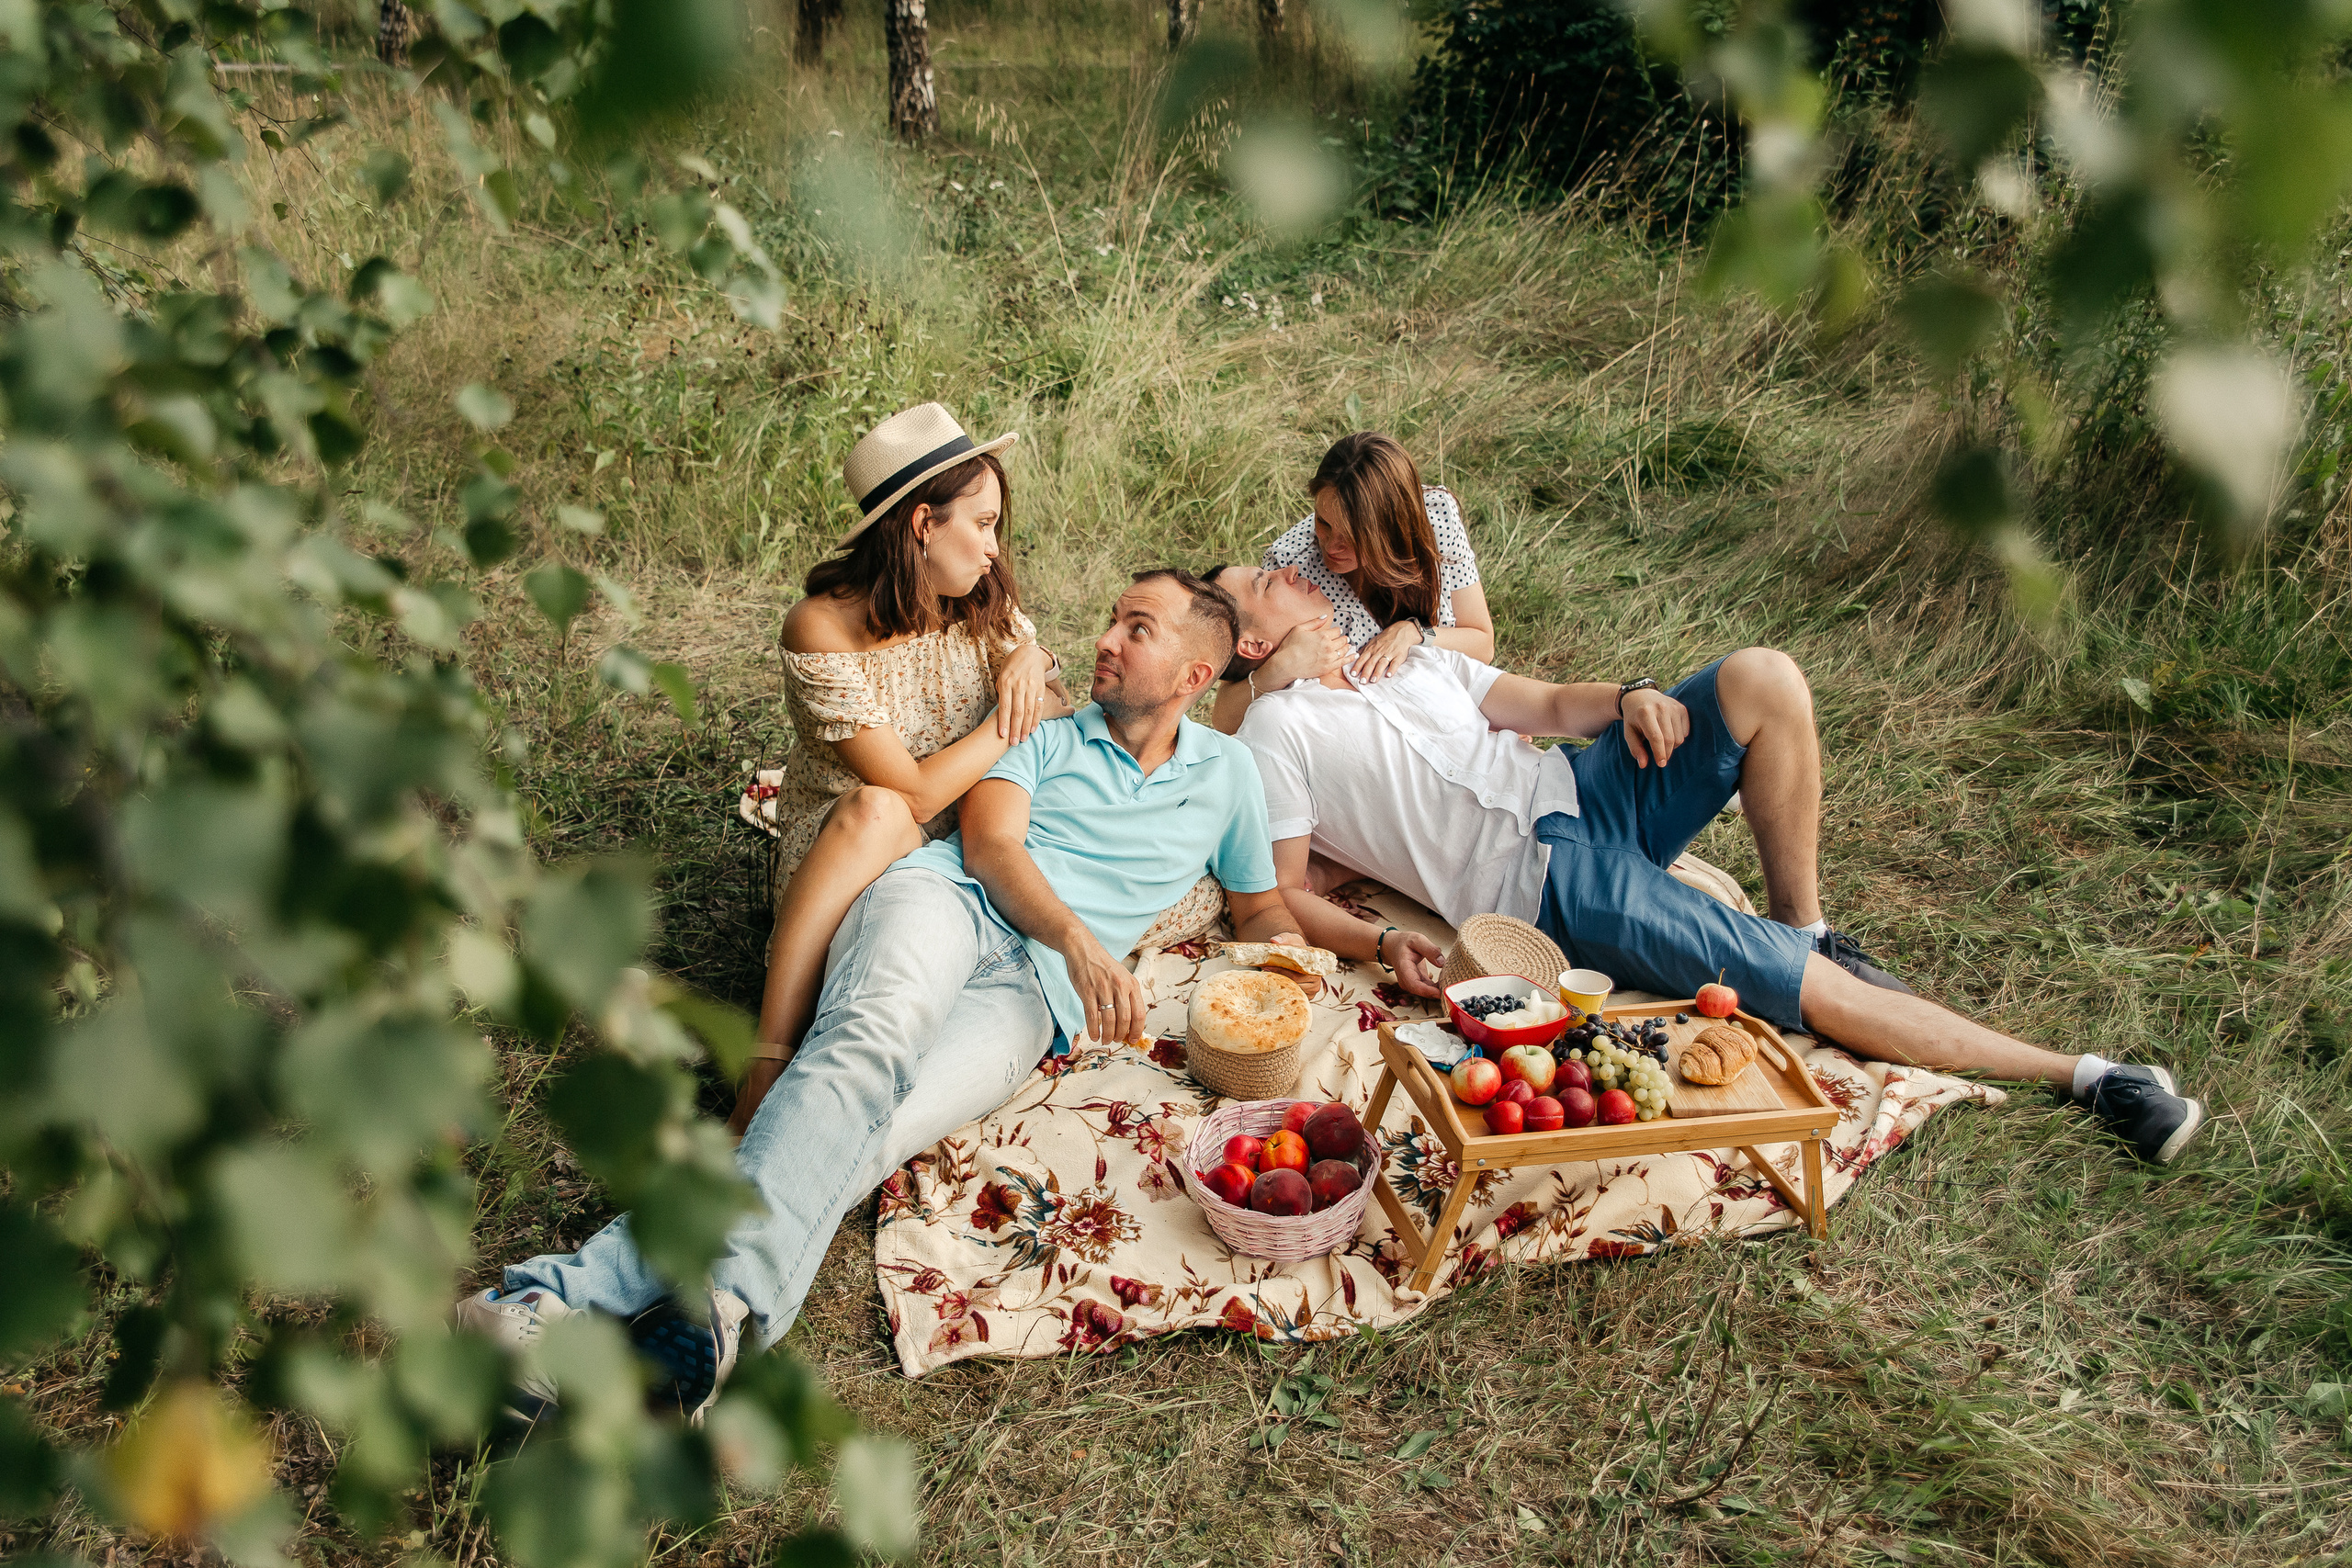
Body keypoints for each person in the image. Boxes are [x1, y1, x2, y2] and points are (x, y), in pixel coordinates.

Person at [458, 570, 1306, 1416]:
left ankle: (591, 1313)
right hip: (946, 903)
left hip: (1031, 1000)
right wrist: (1078, 940)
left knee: (873, 1129)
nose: (1106, 639)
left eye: (1138, 628)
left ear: (1195, 676)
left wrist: (1333, 953)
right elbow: (992, 849)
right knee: (864, 1049)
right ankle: (696, 1312)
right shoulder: (1047, 730)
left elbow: (1260, 904)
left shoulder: (1227, 773)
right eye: (1115, 618)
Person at [1204, 561, 2206, 1167]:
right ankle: (2093, 1077)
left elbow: (1547, 707)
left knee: (1760, 677)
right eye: (1265, 581)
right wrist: (1382, 937)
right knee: (1792, 987)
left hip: (1589, 788)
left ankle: (1806, 923)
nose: (1292, 569)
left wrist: (1632, 692)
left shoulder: (1408, 654)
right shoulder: (1275, 729)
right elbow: (1283, 890)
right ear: (1249, 638)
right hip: (1549, 887)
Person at [730, 403, 1074, 1137]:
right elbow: (912, 794)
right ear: (923, 523)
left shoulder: (977, 594)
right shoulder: (819, 626)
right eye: (981, 524)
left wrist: (1032, 658)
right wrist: (1016, 710)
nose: (992, 548)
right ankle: (765, 1064)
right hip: (848, 853)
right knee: (877, 808)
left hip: (961, 848)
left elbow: (1059, 700)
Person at [1210, 432, 1496, 735]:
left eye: (1352, 536)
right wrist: (1283, 665)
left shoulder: (1436, 518)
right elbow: (1225, 716)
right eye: (1323, 522)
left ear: (1394, 529)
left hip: (1461, 698)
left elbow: (1481, 643)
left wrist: (1412, 633)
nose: (1331, 546)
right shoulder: (1292, 568)